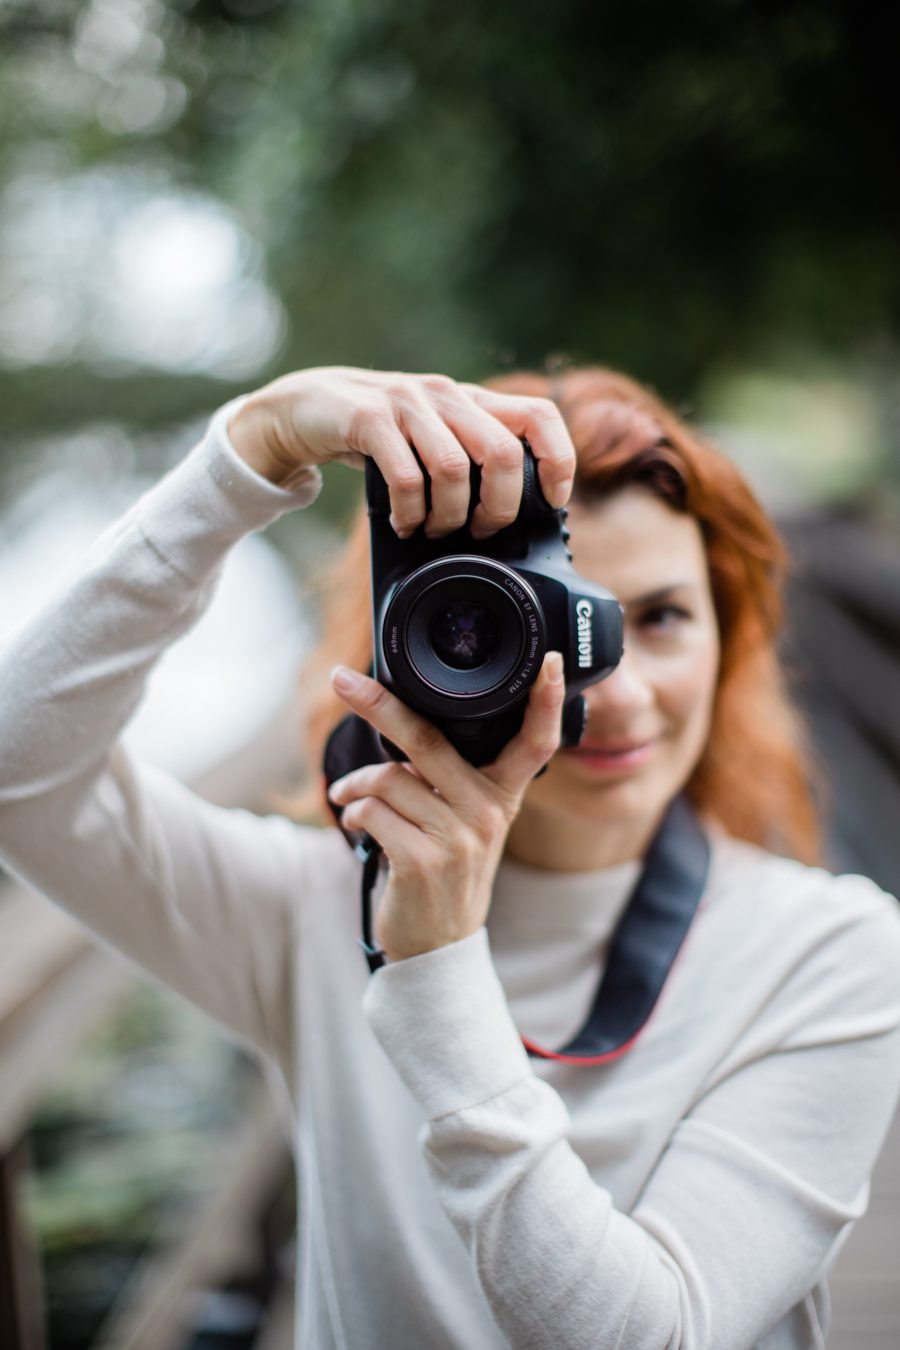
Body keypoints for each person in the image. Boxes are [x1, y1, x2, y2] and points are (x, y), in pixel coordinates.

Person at [1, 363, 899, 1350]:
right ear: (414, 645)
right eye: (546, 624)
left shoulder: (834, 953)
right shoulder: (315, 914)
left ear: (734, 639)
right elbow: (19, 775)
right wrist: (249, 450)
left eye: (663, 619)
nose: (621, 691)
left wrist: (435, 973)